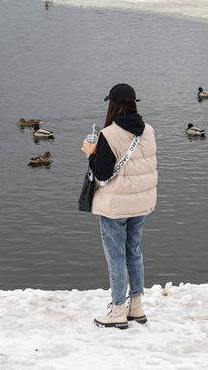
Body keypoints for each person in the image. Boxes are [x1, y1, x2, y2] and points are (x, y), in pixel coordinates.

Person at [81, 82, 157, 329]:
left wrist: (91, 153)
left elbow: (102, 175)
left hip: (115, 206)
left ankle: (117, 311)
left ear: (112, 106)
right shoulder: (149, 131)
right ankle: (136, 306)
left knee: (116, 257)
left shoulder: (108, 134)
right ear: (134, 103)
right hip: (140, 203)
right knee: (133, 251)